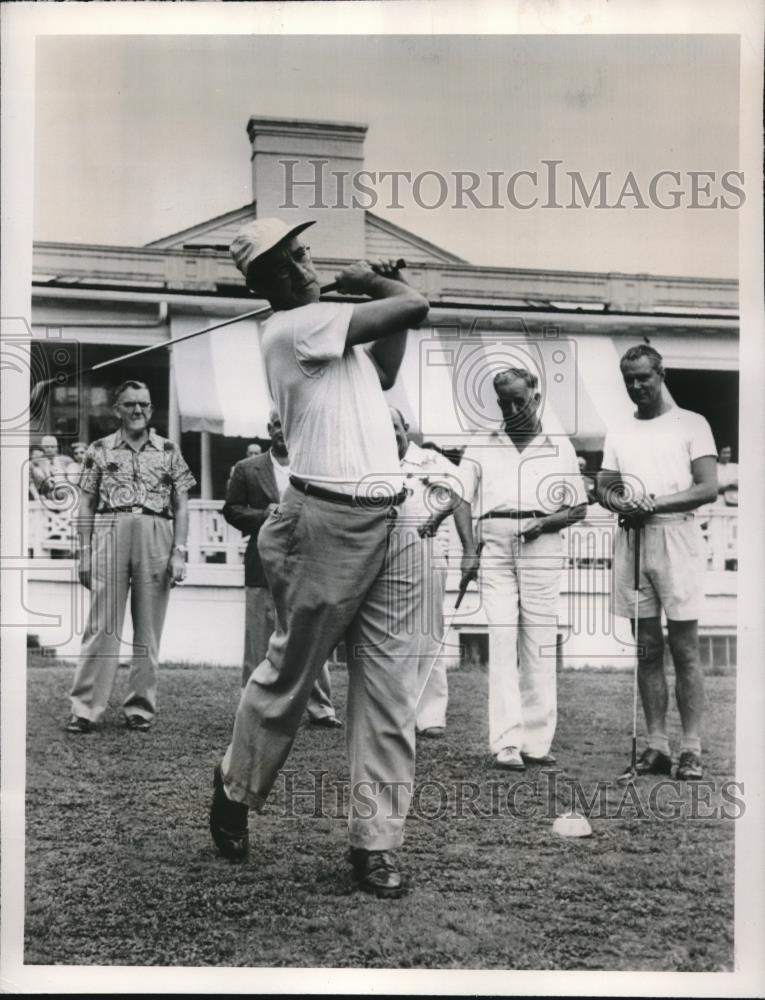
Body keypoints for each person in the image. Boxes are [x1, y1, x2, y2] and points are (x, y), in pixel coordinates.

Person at [210, 217, 429, 899]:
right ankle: (234, 788)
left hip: (391, 519)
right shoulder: (291, 330)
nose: (308, 263)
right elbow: (414, 304)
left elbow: (389, 359)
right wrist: (374, 282)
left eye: (303, 252)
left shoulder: (331, 329)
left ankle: (376, 844)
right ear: (269, 279)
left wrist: (375, 295)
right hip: (323, 522)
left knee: (390, 694)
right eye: (293, 258)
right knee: (289, 680)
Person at [457, 367, 587, 771]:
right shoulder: (482, 440)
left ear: (536, 394)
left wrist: (546, 523)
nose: (512, 409)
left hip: (541, 542)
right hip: (493, 544)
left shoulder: (558, 443)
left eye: (519, 400)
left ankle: (536, 742)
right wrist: (467, 549)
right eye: (504, 402)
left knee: (538, 642)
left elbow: (578, 506)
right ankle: (506, 743)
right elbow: (461, 499)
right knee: (500, 638)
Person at [597, 345, 717, 781]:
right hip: (633, 537)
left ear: (661, 373)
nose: (635, 387)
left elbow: (707, 488)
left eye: (643, 378)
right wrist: (620, 500)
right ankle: (656, 746)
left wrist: (655, 501)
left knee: (684, 648)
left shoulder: (692, 424)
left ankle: (691, 749)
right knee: (647, 647)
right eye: (628, 380)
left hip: (676, 535)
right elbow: (604, 486)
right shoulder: (620, 430)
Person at [66, 380, 196, 734]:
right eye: (130, 404)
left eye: (144, 404)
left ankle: (140, 707)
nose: (138, 411)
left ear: (151, 409)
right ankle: (85, 708)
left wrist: (179, 553)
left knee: (148, 627)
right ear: (117, 409)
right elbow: (87, 504)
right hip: (111, 528)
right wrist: (83, 553)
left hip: (157, 531)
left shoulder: (168, 448)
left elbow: (182, 506)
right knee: (101, 624)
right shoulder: (100, 448)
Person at [223, 408, 341, 727]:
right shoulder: (248, 469)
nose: (281, 431)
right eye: (276, 425)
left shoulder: (315, 469)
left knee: (310, 635)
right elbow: (231, 510)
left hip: (308, 562)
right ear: (268, 429)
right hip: (262, 563)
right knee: (258, 638)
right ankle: (253, 707)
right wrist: (265, 515)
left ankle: (320, 707)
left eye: (287, 426)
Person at [390, 409, 463, 739]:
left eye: (395, 427)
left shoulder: (429, 460)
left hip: (430, 551)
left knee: (429, 630)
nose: (390, 434)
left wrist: (435, 518)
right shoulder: (378, 461)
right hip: (390, 555)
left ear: (406, 428)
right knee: (396, 633)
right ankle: (399, 711)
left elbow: (460, 492)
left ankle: (431, 713)